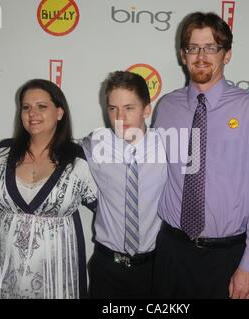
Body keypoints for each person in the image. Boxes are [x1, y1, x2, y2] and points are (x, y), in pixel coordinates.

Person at [152, 12, 249, 299]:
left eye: (211, 47)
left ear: (227, 54)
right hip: (170, 252)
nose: (201, 56)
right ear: (182, 55)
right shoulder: (166, 107)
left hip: (227, 258)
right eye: (193, 48)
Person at [0, 79, 97, 299]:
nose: (32, 113)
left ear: (60, 112)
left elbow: (107, 211)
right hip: (7, 273)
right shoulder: (2, 154)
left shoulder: (79, 161)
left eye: (42, 106)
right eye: (26, 107)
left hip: (59, 281)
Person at [82, 71, 167, 298]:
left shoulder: (167, 145)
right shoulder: (93, 145)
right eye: (113, 109)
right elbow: (55, 145)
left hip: (154, 268)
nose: (120, 117)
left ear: (146, 110)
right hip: (107, 266)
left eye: (129, 108)